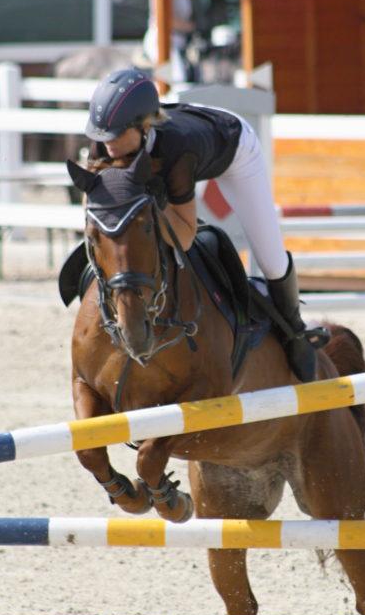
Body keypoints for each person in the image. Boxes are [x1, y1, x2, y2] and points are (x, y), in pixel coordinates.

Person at [84, 68, 317, 381]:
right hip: (190, 125)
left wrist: (153, 205)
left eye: (116, 134)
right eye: (103, 134)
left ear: (143, 126)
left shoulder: (177, 151)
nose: (107, 143)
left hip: (235, 150)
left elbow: (184, 233)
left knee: (272, 261)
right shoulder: (104, 141)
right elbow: (92, 208)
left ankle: (296, 333)